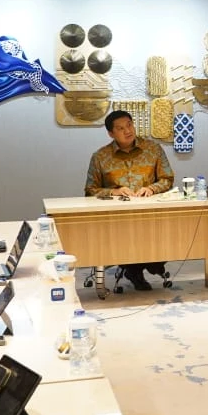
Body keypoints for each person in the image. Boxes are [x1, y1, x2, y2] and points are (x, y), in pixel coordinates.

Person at [84, 109, 174, 291]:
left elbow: (167, 179)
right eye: (120, 128)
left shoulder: (153, 149)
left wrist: (151, 188)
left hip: (151, 213)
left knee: (169, 234)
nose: (127, 131)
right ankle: (135, 270)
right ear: (111, 133)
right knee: (129, 238)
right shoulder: (100, 156)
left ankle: (147, 264)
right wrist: (114, 192)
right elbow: (90, 190)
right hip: (118, 217)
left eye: (129, 125)